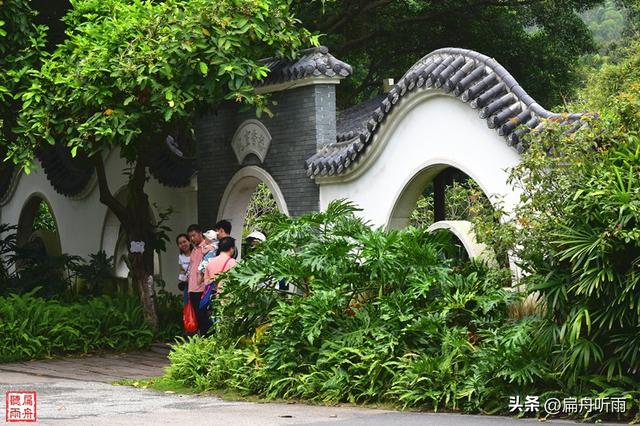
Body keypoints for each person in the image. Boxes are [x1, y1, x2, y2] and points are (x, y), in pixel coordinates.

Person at [186, 224, 210, 335]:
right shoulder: (194, 249)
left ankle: (206, 338)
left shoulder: (207, 247)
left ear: (200, 233)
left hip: (201, 288)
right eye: (190, 236)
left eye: (194, 235)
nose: (192, 239)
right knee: (197, 316)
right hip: (192, 288)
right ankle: (200, 338)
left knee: (203, 315)